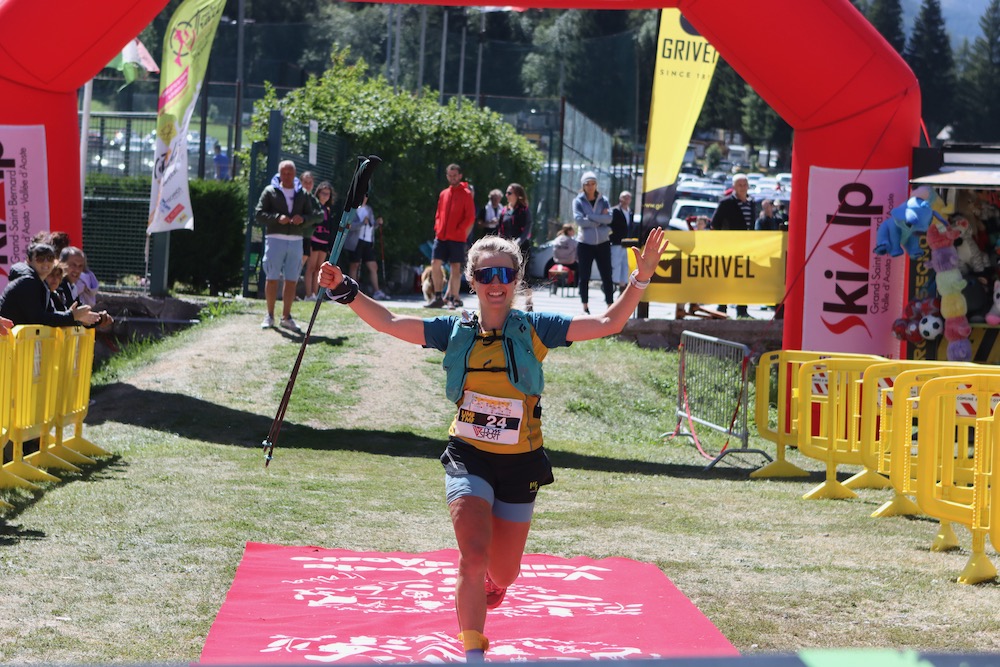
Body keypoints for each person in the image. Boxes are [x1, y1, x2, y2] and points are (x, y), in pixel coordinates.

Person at [317, 227, 669, 663]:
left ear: (517, 279)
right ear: (472, 281)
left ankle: (495, 582)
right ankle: (473, 655)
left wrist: (642, 279)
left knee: (504, 569)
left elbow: (608, 323)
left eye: (505, 273)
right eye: (486, 275)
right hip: (468, 456)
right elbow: (391, 323)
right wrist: (345, 290)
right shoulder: (456, 330)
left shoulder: (536, 328)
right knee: (473, 554)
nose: (496, 282)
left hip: (521, 463)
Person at [254, 160, 321, 333]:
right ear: (279, 173)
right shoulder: (270, 191)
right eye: (284, 172)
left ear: (295, 173)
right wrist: (277, 218)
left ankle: (287, 316)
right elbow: (259, 214)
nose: (287, 175)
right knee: (272, 277)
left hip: (296, 240)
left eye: (290, 172)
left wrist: (303, 220)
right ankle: (269, 315)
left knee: (291, 278)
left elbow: (316, 215)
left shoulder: (302, 194)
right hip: (275, 238)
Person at [0, 242, 101, 327]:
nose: (45, 262)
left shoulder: (42, 284)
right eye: (40, 258)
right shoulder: (28, 281)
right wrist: (71, 316)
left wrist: (75, 317)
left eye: (50, 258)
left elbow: (50, 314)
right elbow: (39, 318)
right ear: (29, 261)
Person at [426, 163, 475, 310]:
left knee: (455, 267)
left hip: (457, 237)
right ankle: (438, 296)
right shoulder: (444, 193)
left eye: (455, 175)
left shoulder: (466, 194)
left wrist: (459, 230)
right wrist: (437, 227)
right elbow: (438, 214)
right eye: (450, 175)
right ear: (447, 176)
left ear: (460, 176)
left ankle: (453, 298)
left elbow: (470, 216)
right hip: (441, 236)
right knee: (435, 263)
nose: (452, 178)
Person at [711, 173, 756, 318]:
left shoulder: (752, 203)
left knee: (744, 279)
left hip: (747, 248)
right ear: (734, 187)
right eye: (739, 185)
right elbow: (714, 224)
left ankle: (742, 309)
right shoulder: (726, 203)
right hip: (729, 247)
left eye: (745, 184)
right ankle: (721, 307)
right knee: (726, 277)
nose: (743, 187)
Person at [573, 171, 615, 315]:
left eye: (592, 183)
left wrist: (590, 217)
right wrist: (599, 219)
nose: (590, 187)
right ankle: (585, 305)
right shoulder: (578, 201)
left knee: (607, 274)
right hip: (585, 243)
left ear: (596, 185)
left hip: (602, 242)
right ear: (583, 186)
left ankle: (610, 304)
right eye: (587, 184)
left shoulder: (604, 200)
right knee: (584, 275)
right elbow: (579, 221)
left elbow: (609, 219)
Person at [497, 183, 533, 311]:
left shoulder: (524, 210)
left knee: (525, 274)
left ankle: (529, 303)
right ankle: (509, 303)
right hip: (507, 248)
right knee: (508, 274)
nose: (507, 195)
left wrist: (518, 241)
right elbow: (500, 229)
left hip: (521, 246)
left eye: (509, 193)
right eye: (506, 193)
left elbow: (527, 229)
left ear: (518, 195)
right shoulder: (504, 210)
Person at [58, 247, 114, 330]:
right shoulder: (56, 286)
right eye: (73, 265)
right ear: (61, 263)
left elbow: (82, 316)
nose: (77, 270)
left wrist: (99, 318)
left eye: (80, 266)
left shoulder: (72, 287)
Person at [349, 194, 387, 300]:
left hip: (367, 241)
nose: (364, 198)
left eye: (365, 196)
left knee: (373, 266)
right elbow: (349, 226)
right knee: (354, 265)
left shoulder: (369, 209)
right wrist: (361, 223)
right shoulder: (352, 209)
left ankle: (377, 291)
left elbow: (370, 225)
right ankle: (352, 291)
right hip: (356, 241)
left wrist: (377, 223)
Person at [304, 181, 336, 301]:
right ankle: (308, 295)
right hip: (314, 240)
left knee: (319, 269)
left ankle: (315, 294)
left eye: (328, 194)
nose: (325, 196)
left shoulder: (327, 209)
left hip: (324, 242)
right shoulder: (313, 204)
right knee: (311, 267)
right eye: (323, 193)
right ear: (318, 193)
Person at [609, 191, 634, 294]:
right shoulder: (615, 211)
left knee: (625, 266)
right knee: (616, 265)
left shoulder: (630, 212)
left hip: (627, 243)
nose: (626, 200)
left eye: (628, 198)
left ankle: (622, 288)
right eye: (624, 197)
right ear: (620, 199)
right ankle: (612, 286)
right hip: (616, 242)